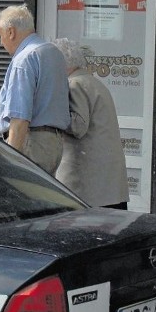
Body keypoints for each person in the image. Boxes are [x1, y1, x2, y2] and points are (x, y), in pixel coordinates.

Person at [52, 38, 129, 209]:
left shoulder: (74, 85)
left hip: (87, 184)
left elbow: (78, 126)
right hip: (107, 185)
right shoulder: (92, 82)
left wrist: (51, 112)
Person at [0, 5, 70, 175]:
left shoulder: (24, 60)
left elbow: (20, 118)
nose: (1, 42)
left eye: (0, 36)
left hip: (31, 142)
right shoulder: (53, 53)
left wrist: (9, 159)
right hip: (54, 143)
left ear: (11, 32)